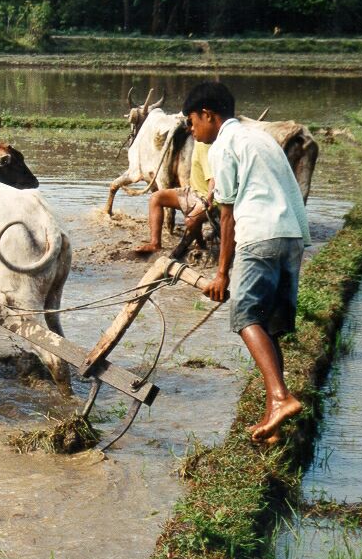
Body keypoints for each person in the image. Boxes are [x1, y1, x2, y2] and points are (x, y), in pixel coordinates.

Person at [185, 82, 311, 445]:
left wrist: (222, 273)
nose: (193, 131)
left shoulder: (223, 145)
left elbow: (227, 216)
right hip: (291, 238)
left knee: (244, 317)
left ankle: (280, 397)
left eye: (192, 122)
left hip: (261, 235)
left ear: (208, 114)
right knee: (269, 326)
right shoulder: (262, 139)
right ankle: (274, 417)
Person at [133, 139, 213, 255]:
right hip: (192, 192)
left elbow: (213, 179)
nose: (191, 129)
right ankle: (155, 244)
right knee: (156, 197)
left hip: (205, 197)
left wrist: (209, 199)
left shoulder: (205, 145)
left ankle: (200, 244)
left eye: (193, 125)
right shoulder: (198, 142)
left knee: (191, 220)